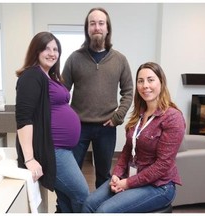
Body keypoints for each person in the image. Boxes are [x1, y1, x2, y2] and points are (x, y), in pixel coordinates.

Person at [82, 62, 186, 213]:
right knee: (89, 203)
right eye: (140, 81)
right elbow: (126, 151)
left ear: (161, 82)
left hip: (159, 186)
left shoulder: (172, 117)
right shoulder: (140, 114)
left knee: (105, 211)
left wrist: (128, 183)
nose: (145, 85)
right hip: (131, 177)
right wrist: (117, 175)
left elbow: (163, 165)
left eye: (151, 80)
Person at [15, 31, 89, 213]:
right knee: (82, 194)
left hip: (63, 149)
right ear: (36, 50)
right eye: (46, 48)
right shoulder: (32, 75)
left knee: (66, 200)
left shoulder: (50, 77)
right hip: (52, 150)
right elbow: (24, 117)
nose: (52, 53)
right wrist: (30, 158)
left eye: (55, 49)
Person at [62, 7, 133, 188]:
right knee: (72, 172)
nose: (97, 27)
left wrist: (118, 116)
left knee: (103, 175)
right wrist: (68, 117)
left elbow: (128, 91)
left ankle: (101, 209)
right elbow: (62, 92)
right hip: (78, 127)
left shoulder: (120, 60)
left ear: (107, 28)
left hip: (106, 127)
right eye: (92, 23)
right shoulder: (74, 59)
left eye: (101, 23)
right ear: (87, 28)